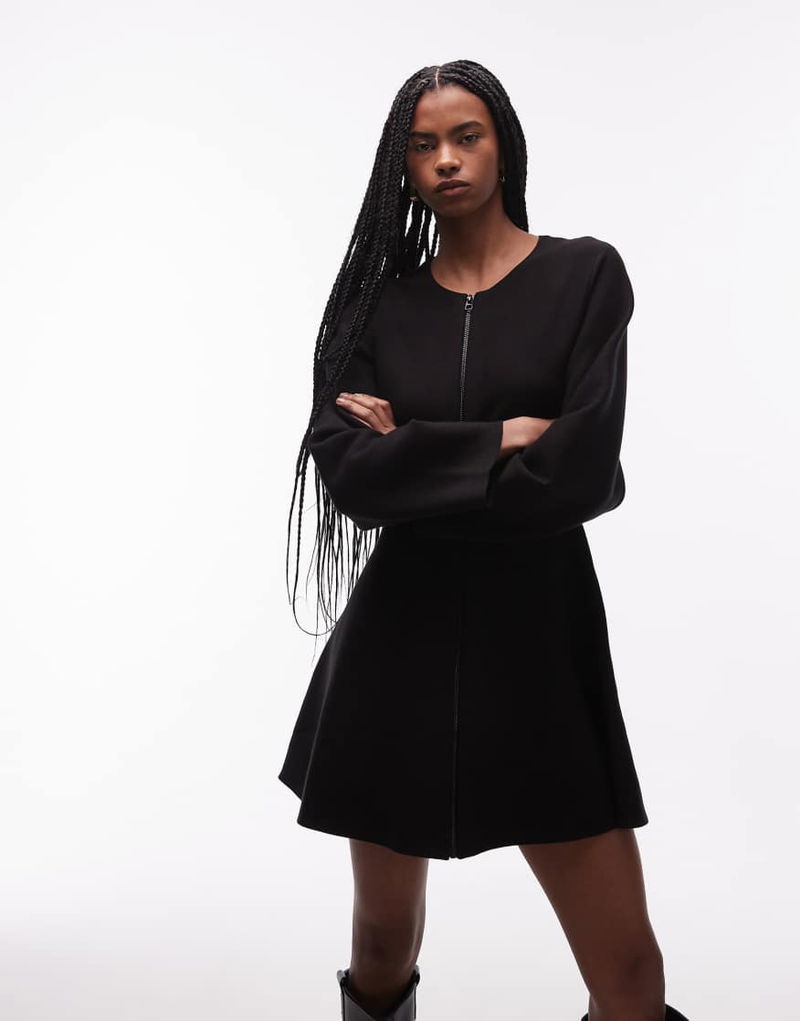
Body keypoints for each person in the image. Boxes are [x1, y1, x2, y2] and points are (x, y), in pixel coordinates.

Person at [278, 60, 691, 1021]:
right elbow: (350, 475)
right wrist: (502, 437)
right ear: (402, 164)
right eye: (423, 145)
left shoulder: (585, 276)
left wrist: (413, 458)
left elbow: (579, 475)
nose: (447, 160)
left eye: (466, 136)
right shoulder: (377, 306)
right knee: (379, 949)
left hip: (540, 647)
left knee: (629, 976)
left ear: (503, 144)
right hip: (396, 654)